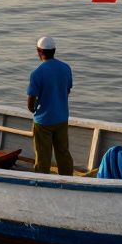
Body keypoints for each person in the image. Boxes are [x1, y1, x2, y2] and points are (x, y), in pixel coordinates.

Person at [27, 36, 74, 176]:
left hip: (43, 121)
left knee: (43, 155)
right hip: (61, 118)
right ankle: (68, 179)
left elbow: (31, 100)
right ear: (54, 50)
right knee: (63, 152)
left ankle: (42, 180)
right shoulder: (66, 68)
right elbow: (67, 90)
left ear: (39, 51)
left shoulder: (37, 73)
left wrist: (33, 109)